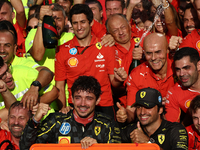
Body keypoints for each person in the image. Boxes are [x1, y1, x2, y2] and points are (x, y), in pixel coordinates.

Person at [55, 4, 127, 117]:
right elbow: (59, 85)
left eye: (83, 22)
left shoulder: (106, 46)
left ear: (91, 22)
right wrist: (63, 108)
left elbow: (114, 81)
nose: (79, 27)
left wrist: (119, 79)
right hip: (76, 106)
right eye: (75, 23)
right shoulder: (62, 50)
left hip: (103, 105)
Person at [19, 76, 121, 150]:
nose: (82, 103)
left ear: (98, 100)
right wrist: (35, 120)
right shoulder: (56, 121)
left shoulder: (108, 123)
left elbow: (117, 148)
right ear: (71, 98)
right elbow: (25, 147)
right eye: (78, 98)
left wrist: (98, 147)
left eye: (89, 98)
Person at [117, 33, 175, 123]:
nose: (153, 58)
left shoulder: (178, 69)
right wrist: (125, 115)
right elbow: (131, 111)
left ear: (167, 50)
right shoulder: (136, 74)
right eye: (148, 53)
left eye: (158, 52)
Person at [0, 20, 56, 110]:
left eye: (7, 45)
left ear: (15, 48)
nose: (2, 50)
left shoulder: (24, 64)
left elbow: (47, 72)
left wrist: (34, 87)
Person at [121, 87, 188, 150]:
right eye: (139, 107)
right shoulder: (131, 130)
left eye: (148, 107)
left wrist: (148, 143)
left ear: (160, 110)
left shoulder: (175, 130)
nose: (142, 112)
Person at [106, 14, 143, 107]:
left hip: (148, 98)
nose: (121, 32)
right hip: (123, 105)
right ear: (109, 34)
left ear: (129, 25)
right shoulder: (108, 49)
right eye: (115, 30)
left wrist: (146, 55)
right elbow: (114, 89)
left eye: (123, 27)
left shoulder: (143, 37)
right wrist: (119, 81)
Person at [165, 47, 200, 123]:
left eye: (186, 68)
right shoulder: (174, 92)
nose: (181, 74)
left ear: (198, 65)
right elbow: (171, 127)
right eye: (178, 69)